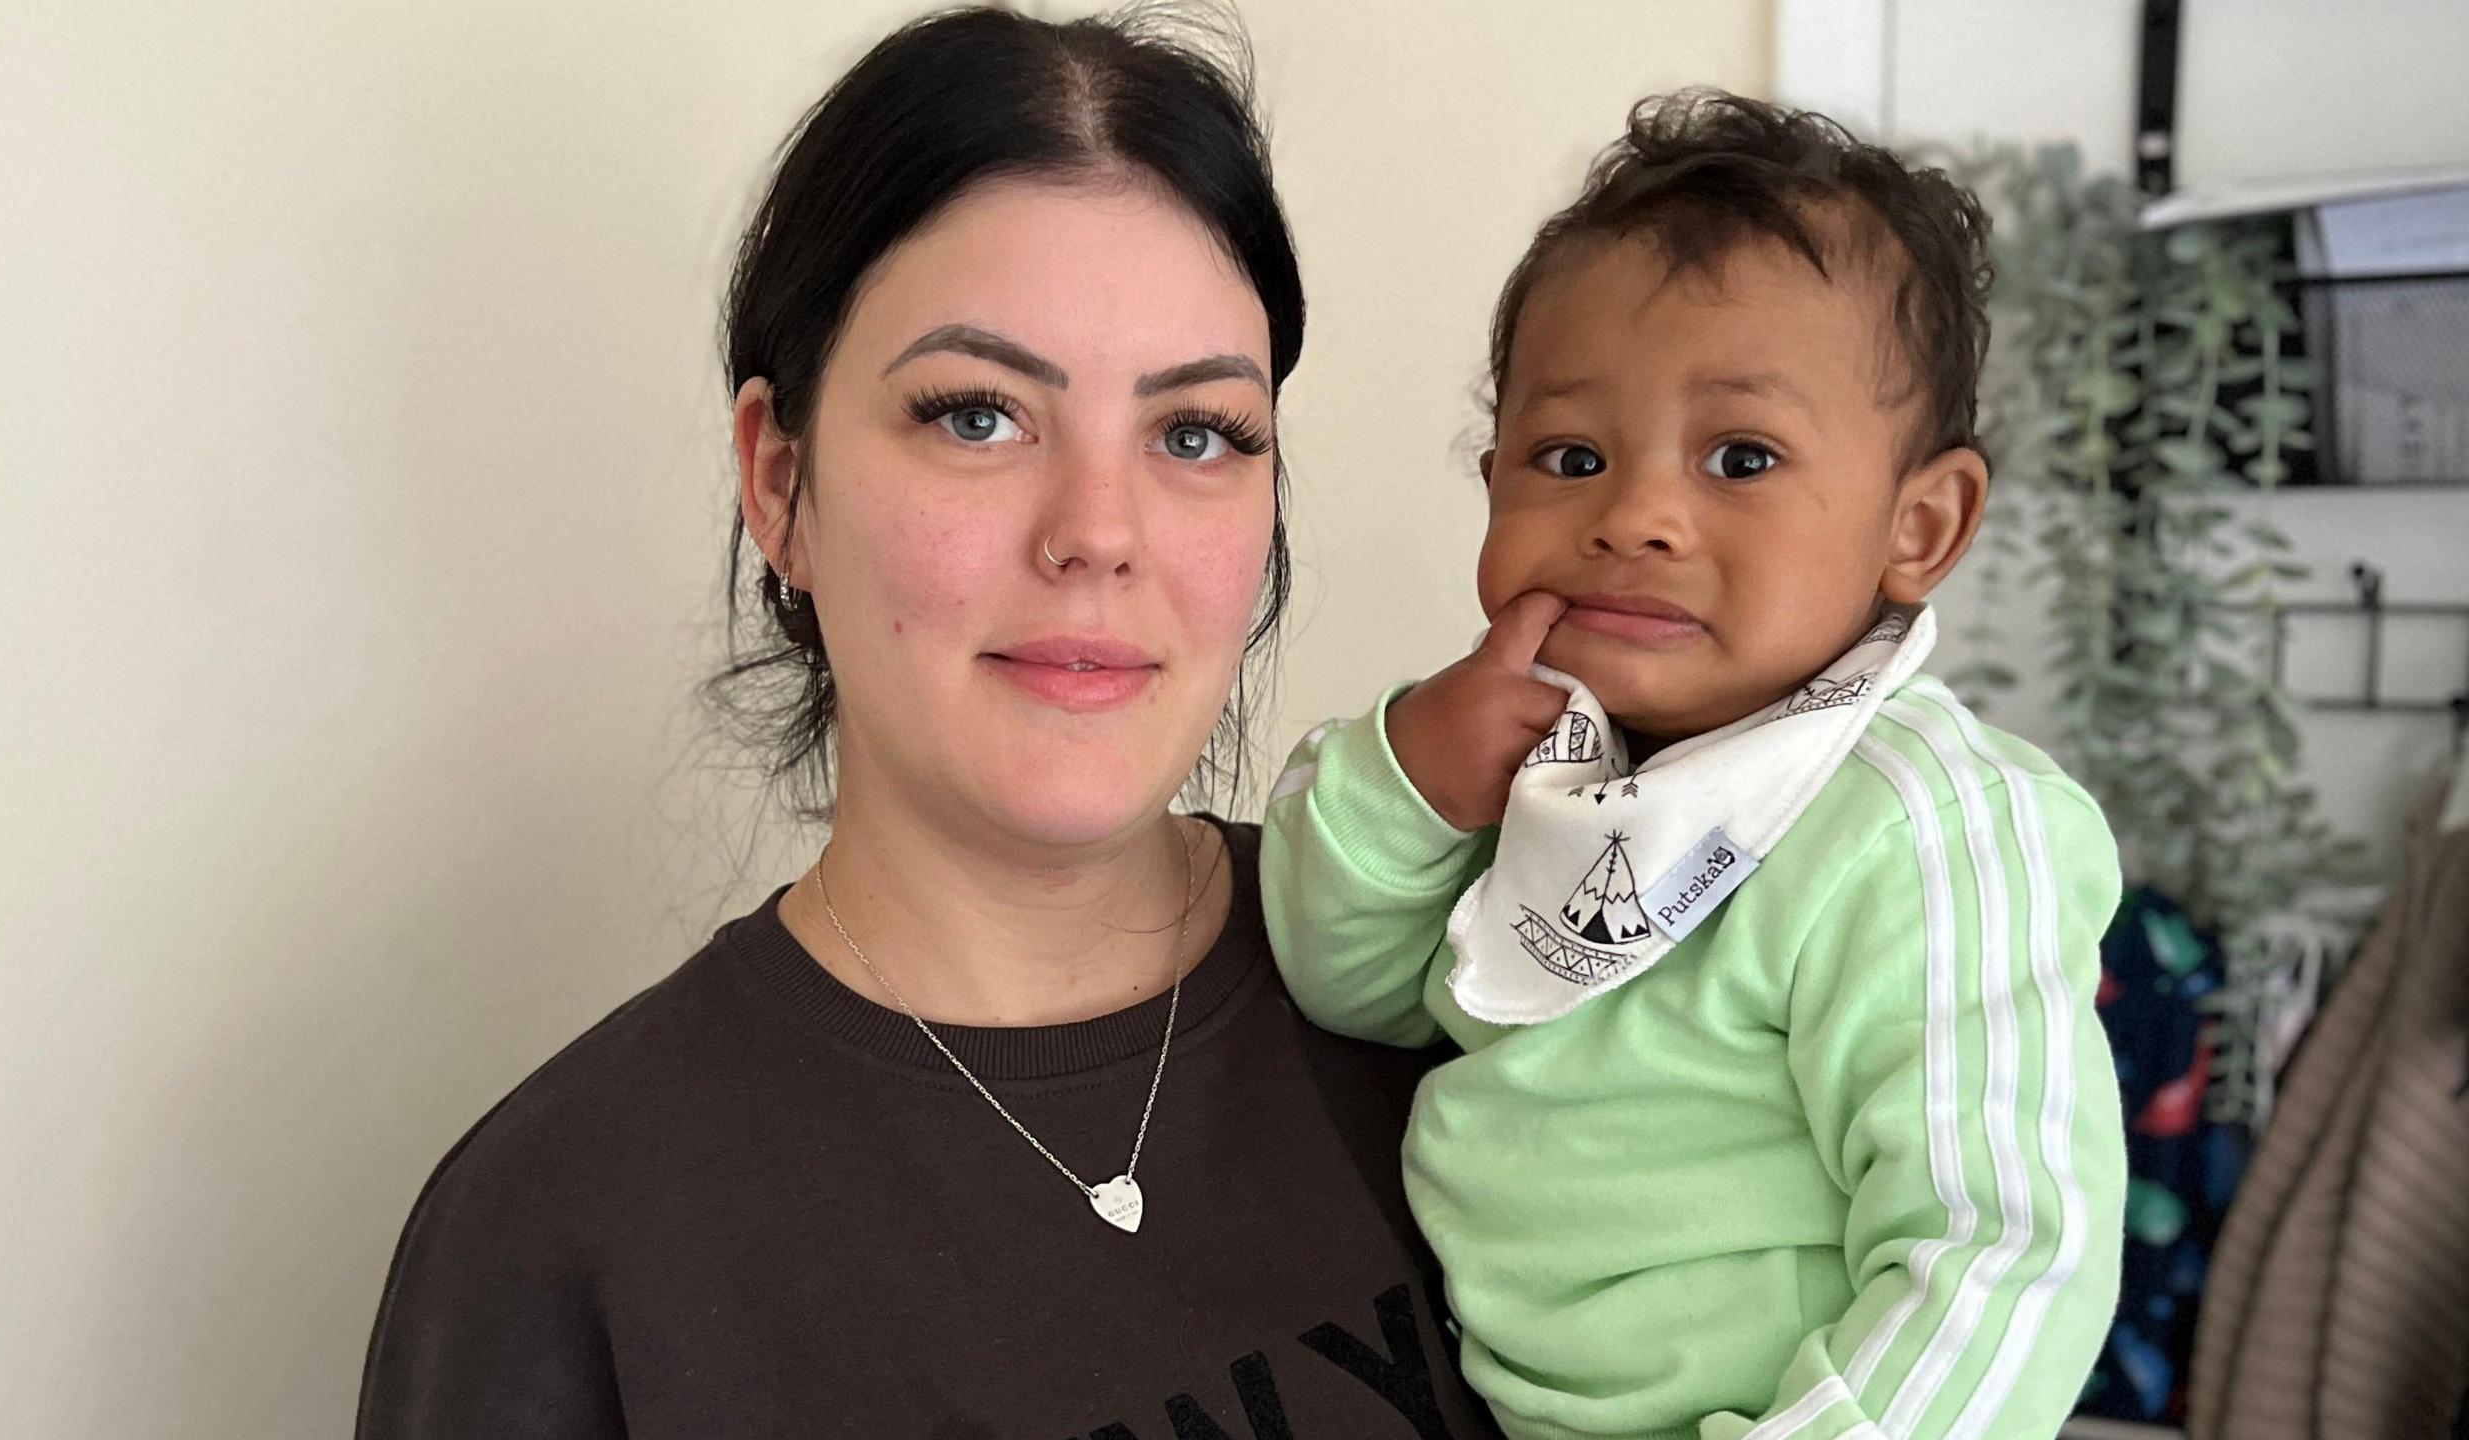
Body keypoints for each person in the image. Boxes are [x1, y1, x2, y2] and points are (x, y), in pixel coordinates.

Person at [355, 9, 1500, 1437]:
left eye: (1196, 432)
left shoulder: (1488, 1000)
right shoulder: (562, 1238)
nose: (1099, 531)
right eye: (977, 415)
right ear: (779, 485)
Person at [1262, 92, 2127, 1440]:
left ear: (1922, 524)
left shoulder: (1922, 826)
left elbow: (2008, 1255)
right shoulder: (1551, 757)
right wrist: (1409, 780)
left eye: (1741, 458)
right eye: (1570, 455)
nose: (1637, 517)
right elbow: (1351, 989)